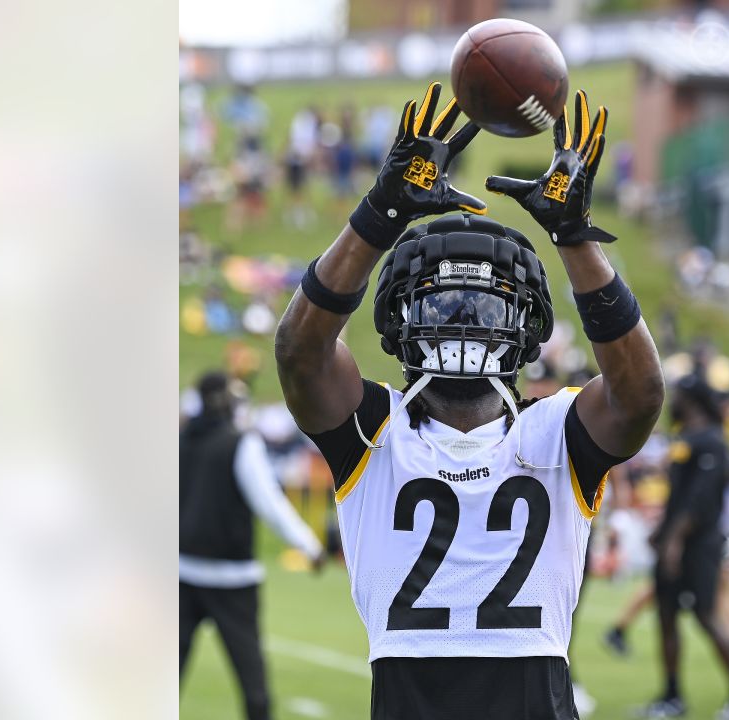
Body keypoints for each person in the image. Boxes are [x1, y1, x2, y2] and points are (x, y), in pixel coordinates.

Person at [275, 82, 664, 720]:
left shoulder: (556, 430)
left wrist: (574, 237)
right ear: (400, 320)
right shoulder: (375, 431)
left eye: (483, 306)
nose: (461, 321)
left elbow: (642, 391)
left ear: (528, 328)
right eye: (440, 303)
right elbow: (298, 350)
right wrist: (381, 211)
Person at [179, 371, 325, 720]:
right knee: (254, 691)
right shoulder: (240, 443)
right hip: (232, 580)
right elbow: (270, 504)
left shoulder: (182, 440)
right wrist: (309, 545)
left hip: (181, 575)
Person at [642, 372, 729, 719]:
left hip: (700, 545)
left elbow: (701, 500)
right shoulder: (685, 438)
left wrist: (674, 539)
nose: (672, 400)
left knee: (707, 615)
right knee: (665, 617)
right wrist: (662, 532)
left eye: (678, 395)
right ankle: (672, 695)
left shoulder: (713, 442)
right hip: (671, 543)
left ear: (690, 399)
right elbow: (678, 497)